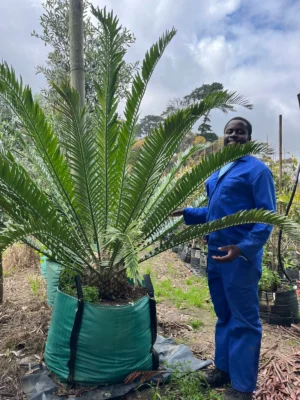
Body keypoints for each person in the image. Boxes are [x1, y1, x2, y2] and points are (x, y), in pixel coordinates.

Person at [172, 117, 276, 400]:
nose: (233, 135)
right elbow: (215, 213)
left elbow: (266, 219)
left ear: (248, 137)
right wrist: (187, 212)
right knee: (224, 315)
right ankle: (224, 369)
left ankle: (242, 388)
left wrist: (242, 248)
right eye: (229, 131)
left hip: (239, 259)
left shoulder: (257, 171)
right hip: (216, 253)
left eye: (239, 132)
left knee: (244, 320)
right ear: (223, 136)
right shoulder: (219, 170)